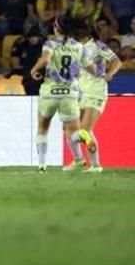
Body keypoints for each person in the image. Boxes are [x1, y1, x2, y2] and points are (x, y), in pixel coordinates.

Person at [28, 17, 96, 172]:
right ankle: (84, 137)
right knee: (72, 132)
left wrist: (33, 69)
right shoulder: (79, 47)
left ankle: (42, 165)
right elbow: (93, 69)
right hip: (70, 93)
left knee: (43, 129)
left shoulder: (50, 44)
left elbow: (45, 58)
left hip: (50, 92)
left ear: (56, 28)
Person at [73, 22, 121, 173]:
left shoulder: (98, 46)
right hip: (81, 91)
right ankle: (92, 164)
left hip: (96, 91)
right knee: (79, 131)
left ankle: (95, 165)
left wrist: (109, 74)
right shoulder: (76, 48)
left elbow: (117, 61)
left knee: (85, 131)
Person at [10, 26, 45, 96]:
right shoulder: (20, 43)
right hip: (23, 71)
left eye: (35, 36)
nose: (32, 39)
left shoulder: (45, 44)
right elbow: (15, 65)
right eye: (30, 36)